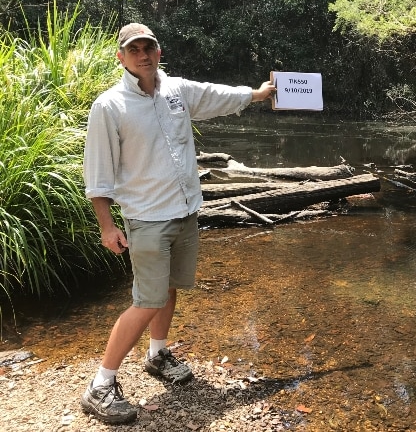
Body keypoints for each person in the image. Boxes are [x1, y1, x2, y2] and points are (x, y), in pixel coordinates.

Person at [80, 23, 275, 424]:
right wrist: (106, 226)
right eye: (133, 49)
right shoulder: (109, 106)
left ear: (158, 51)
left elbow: (215, 94)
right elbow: (97, 174)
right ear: (121, 57)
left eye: (148, 47)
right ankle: (101, 384)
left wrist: (257, 94)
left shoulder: (176, 91)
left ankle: (157, 355)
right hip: (147, 218)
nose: (142, 54)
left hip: (185, 212)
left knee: (169, 288)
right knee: (146, 300)